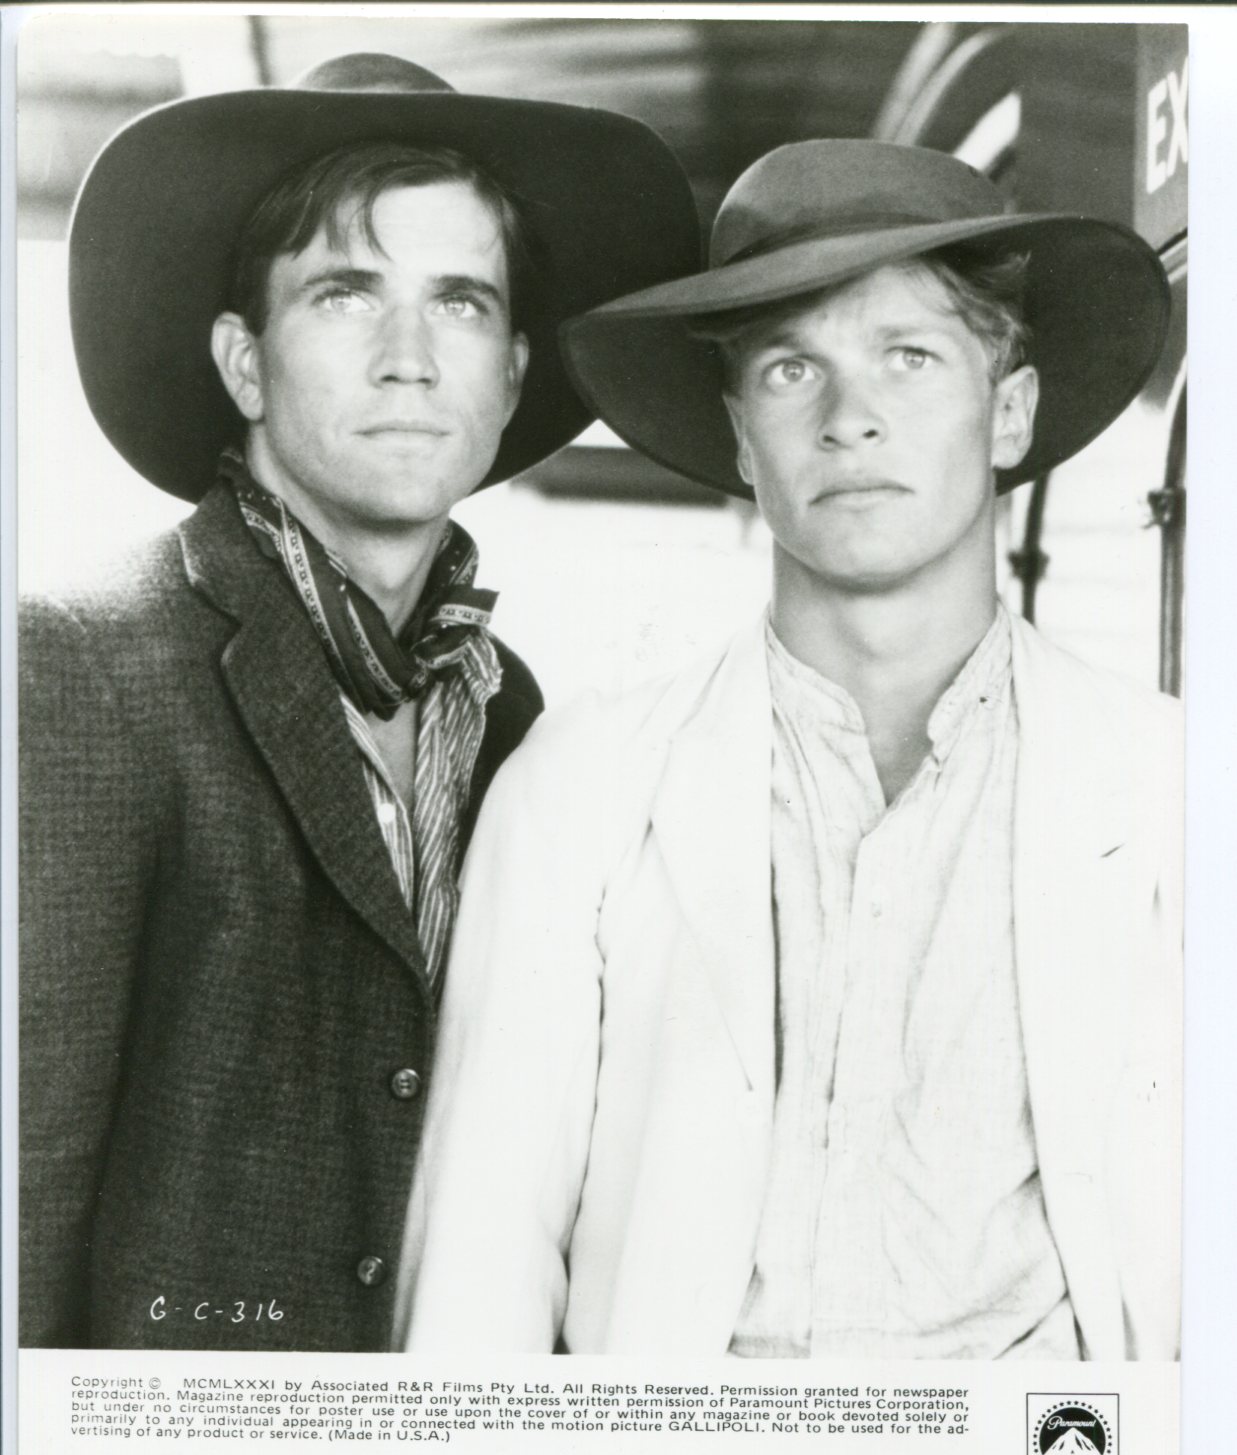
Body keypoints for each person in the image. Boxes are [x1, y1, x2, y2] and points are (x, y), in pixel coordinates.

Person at [396, 139, 1182, 1361]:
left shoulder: (1178, 787)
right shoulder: (579, 785)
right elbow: (480, 1258)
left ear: (1009, 412)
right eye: (789, 367)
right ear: (738, 436)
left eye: (909, 357)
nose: (849, 419)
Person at [19, 52, 698, 1351]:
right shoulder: (75, 668)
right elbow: (22, 1191)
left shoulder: (509, 710)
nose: (408, 360)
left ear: (511, 371)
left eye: (459, 302)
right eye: (344, 294)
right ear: (244, 362)